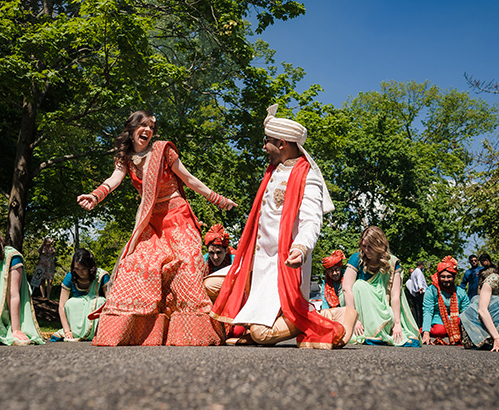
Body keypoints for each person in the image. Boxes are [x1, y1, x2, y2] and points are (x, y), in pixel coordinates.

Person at [77, 110, 234, 346]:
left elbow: (189, 179)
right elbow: (114, 179)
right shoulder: (125, 157)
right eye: (143, 125)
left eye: (151, 127)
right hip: (151, 220)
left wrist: (219, 199)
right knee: (136, 263)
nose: (148, 131)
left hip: (177, 215)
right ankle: (139, 333)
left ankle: (191, 335)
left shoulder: (164, 151)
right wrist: (95, 195)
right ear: (131, 130)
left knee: (187, 265)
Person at [208, 105, 353, 349]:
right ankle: (264, 319)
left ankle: (332, 316)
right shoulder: (273, 171)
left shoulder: (308, 176)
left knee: (261, 336)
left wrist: (301, 247)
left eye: (267, 141)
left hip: (282, 268)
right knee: (210, 285)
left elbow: (311, 221)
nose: (264, 147)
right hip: (256, 265)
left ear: (282, 143)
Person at [342, 226, 420, 346]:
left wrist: (397, 324)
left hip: (383, 307)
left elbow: (395, 295)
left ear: (379, 245)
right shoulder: (356, 258)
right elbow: (347, 289)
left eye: (370, 247)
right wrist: (354, 320)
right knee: (359, 286)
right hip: (356, 309)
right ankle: (365, 330)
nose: (366, 250)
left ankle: (382, 330)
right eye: (364, 246)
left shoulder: (392, 262)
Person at [52, 248, 110, 341]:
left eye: (84, 268)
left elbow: (110, 301)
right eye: (77, 269)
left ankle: (97, 332)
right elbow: (61, 306)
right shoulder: (70, 277)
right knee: (70, 303)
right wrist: (67, 331)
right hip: (76, 320)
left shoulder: (101, 276)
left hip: (96, 319)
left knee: (100, 301)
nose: (80, 272)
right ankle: (76, 333)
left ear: (90, 267)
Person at [421, 256, 469, 345]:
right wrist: (426, 332)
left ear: (454, 277)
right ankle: (424, 329)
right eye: (443, 276)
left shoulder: (460, 292)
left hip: (455, 320)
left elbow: (467, 311)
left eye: (449, 277)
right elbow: (428, 311)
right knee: (440, 331)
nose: (446, 280)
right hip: (438, 319)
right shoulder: (431, 290)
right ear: (438, 276)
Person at [405, 260, 428, 328]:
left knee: (418, 310)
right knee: (420, 310)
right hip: (420, 292)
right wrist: (421, 288)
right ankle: (421, 325)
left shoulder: (414, 272)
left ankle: (419, 325)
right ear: (422, 266)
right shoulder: (418, 272)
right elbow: (419, 280)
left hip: (417, 293)